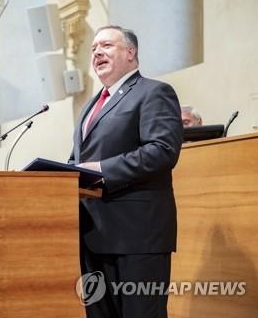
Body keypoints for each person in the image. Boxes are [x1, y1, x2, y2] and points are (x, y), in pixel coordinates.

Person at [69, 25, 183, 318]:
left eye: (106, 45)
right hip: (93, 234)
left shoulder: (153, 92)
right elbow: (78, 161)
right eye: (93, 48)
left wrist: (102, 169)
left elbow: (162, 151)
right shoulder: (90, 106)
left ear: (130, 52)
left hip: (137, 235)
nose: (97, 53)